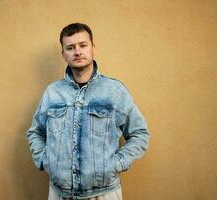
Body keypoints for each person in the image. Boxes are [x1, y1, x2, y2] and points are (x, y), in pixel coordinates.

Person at [27, 22, 150, 200]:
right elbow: (36, 132)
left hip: (104, 192)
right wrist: (45, 160)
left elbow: (140, 134)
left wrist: (116, 164)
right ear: (63, 54)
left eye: (83, 45)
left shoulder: (115, 91)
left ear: (93, 48)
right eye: (70, 47)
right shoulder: (52, 93)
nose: (77, 52)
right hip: (59, 193)